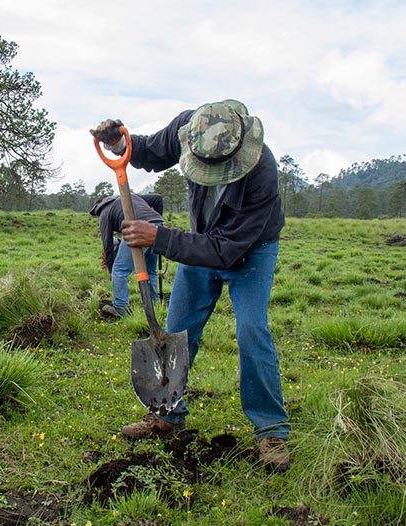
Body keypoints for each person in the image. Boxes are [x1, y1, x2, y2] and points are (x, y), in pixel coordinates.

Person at [90, 99, 291, 471]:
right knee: (176, 328)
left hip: (250, 249)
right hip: (201, 242)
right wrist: (120, 144)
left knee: (251, 329)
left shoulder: (262, 169)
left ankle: (272, 430)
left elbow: (227, 250)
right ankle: (167, 413)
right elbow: (149, 149)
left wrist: (160, 238)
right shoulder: (189, 128)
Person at [89, 193, 164, 317]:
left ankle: (120, 308)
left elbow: (107, 244)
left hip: (139, 230)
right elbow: (157, 199)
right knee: (150, 271)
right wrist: (157, 221)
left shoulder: (104, 213)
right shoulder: (129, 197)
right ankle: (154, 304)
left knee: (119, 271)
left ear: (97, 207)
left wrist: (111, 270)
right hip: (159, 227)